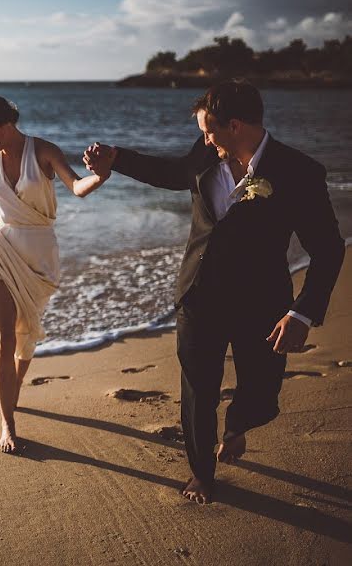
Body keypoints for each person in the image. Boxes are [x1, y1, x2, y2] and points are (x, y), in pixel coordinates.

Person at [83, 80, 344, 504]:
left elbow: (328, 248)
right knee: (198, 389)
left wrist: (301, 312)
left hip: (263, 303)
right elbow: (169, 172)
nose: (204, 138)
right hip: (199, 295)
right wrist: (117, 158)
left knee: (261, 391)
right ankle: (202, 472)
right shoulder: (206, 155)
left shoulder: (299, 172)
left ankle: (238, 424)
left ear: (235, 126)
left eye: (209, 130)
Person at [0, 94, 108, 453]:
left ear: (7, 122)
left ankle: (12, 391)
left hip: (39, 255)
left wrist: (100, 176)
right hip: (2, 248)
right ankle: (8, 424)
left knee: (27, 331)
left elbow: (77, 187)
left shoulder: (44, 151)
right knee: (3, 336)